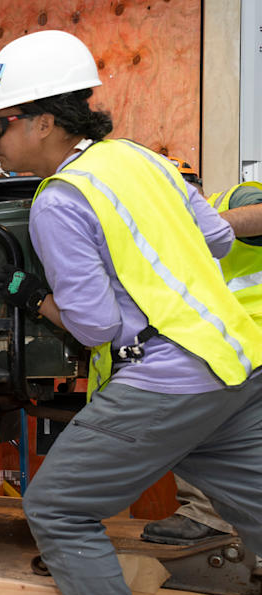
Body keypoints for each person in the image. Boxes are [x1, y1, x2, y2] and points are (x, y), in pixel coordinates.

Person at [0, 30, 262, 595]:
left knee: (57, 507)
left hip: (168, 375)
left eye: (1, 121)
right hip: (236, 360)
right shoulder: (142, 160)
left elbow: (98, 327)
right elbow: (217, 238)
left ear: (44, 120)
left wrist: (36, 298)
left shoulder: (59, 200)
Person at [141, 174, 262, 544]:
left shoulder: (233, 198)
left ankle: (210, 517)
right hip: (222, 350)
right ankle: (207, 516)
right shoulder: (157, 238)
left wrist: (204, 224)